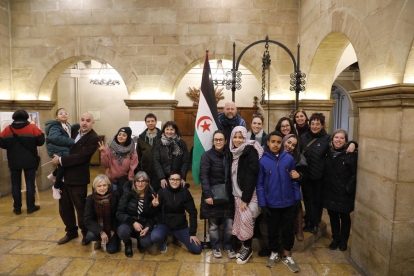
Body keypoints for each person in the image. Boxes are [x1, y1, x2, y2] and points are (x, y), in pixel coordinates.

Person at [300, 113, 356, 234]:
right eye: (312, 124)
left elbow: (340, 144)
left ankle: (315, 223)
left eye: (317, 124)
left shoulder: (327, 138)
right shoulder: (303, 138)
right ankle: (309, 221)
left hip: (320, 177)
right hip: (306, 176)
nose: (314, 126)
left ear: (322, 125)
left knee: (317, 201)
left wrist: (353, 143)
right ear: (309, 124)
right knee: (307, 200)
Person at [52, 113, 99, 246]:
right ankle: (71, 232)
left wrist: (60, 160)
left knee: (80, 208)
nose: (84, 123)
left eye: (88, 121)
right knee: (64, 207)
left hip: (78, 178)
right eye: (82, 120)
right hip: (63, 177)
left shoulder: (93, 138)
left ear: (92, 123)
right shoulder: (71, 130)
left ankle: (86, 233)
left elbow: (81, 157)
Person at [257, 131, 300, 272]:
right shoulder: (263, 161)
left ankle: (287, 254)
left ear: (282, 143)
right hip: (271, 204)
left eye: (278, 142)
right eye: (273, 141)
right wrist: (263, 204)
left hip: (288, 202)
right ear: (268, 143)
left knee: (288, 229)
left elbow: (294, 181)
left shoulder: (288, 159)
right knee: (272, 230)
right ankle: (274, 252)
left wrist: (297, 199)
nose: (276, 144)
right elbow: (260, 185)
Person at [229, 126, 264, 265]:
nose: (238, 140)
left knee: (247, 218)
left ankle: (248, 249)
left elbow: (251, 175)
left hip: (249, 194)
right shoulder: (232, 151)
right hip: (236, 194)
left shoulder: (250, 150)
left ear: (245, 138)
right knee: (241, 221)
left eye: (241, 137)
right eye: (235, 137)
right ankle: (244, 246)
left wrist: (245, 198)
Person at [0, 109, 45, 215]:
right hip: (30, 160)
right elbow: (41, 141)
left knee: (15, 184)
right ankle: (30, 207)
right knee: (30, 183)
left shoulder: (7, 129)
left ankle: (17, 208)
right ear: (26, 117)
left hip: (14, 160)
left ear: (14, 118)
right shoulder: (33, 128)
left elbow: (2, 143)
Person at [199, 130, 236, 259]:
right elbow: (204, 176)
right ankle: (215, 247)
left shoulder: (231, 155)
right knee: (214, 225)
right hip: (213, 195)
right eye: (216, 139)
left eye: (221, 139)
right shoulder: (207, 156)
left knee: (229, 225)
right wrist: (207, 195)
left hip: (229, 196)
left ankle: (228, 246)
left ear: (226, 141)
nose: (218, 142)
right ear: (213, 141)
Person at [151, 172, 202, 254]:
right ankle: (163, 240)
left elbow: (193, 212)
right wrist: (154, 206)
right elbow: (153, 212)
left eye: (177, 180)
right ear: (168, 180)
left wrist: (192, 233)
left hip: (180, 227)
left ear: (181, 180)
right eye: (172, 179)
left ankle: (176, 236)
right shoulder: (162, 192)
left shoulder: (185, 193)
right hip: (164, 225)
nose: (175, 182)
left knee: (197, 249)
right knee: (155, 237)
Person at [324, 129, 357, 252]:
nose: (339, 140)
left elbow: (354, 174)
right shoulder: (329, 152)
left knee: (345, 218)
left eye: (342, 138)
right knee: (333, 217)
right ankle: (335, 238)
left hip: (344, 193)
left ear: (346, 141)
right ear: (332, 139)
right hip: (330, 192)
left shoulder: (351, 154)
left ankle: (343, 241)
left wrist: (348, 188)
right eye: (336, 137)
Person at [116, 171, 157, 258]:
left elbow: (154, 216)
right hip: (129, 223)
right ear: (134, 182)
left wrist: (147, 227)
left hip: (144, 224)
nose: (140, 183)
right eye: (138, 181)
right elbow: (119, 213)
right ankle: (127, 243)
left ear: (147, 182)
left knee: (146, 243)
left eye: (143, 181)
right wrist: (133, 222)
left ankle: (139, 239)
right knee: (122, 231)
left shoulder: (152, 196)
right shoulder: (127, 194)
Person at [84, 174, 120, 253]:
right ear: (95, 187)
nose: (102, 188)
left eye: (104, 185)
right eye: (99, 186)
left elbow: (118, 215)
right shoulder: (90, 199)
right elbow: (88, 219)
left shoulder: (115, 196)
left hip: (111, 226)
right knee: (90, 235)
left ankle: (116, 239)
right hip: (98, 227)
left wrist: (113, 229)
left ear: (109, 186)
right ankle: (98, 240)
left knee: (111, 250)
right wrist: (101, 232)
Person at [99, 127, 138, 197]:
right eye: (119, 134)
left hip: (125, 180)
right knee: (113, 200)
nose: (120, 137)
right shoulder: (110, 147)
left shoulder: (132, 149)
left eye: (124, 135)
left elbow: (133, 166)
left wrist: (130, 180)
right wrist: (103, 152)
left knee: (123, 200)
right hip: (111, 179)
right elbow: (105, 165)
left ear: (128, 137)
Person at [45, 108, 75, 200]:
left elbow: (70, 131)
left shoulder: (66, 125)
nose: (64, 115)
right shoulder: (55, 126)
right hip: (57, 149)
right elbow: (55, 138)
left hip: (62, 149)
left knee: (62, 165)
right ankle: (56, 187)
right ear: (56, 117)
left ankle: (54, 174)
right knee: (63, 167)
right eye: (61, 113)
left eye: (66, 113)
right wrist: (73, 141)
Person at [283, 134, 308, 241]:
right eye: (288, 142)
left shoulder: (298, 157)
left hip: (292, 185)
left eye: (293, 145)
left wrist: (299, 175)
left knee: (297, 201)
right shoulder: (275, 152)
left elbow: (304, 175)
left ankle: (299, 228)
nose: (290, 146)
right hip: (277, 185)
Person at [153, 121, 188, 191]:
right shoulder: (158, 143)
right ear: (164, 130)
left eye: (172, 129)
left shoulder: (182, 143)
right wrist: (161, 177)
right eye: (167, 129)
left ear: (175, 130)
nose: (169, 132)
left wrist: (182, 178)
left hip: (177, 178)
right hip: (162, 178)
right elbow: (156, 161)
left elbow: (185, 162)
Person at [136, 113, 161, 185]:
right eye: (148, 121)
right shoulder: (141, 138)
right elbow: (138, 154)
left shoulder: (162, 136)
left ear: (156, 122)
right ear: (146, 123)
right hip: (145, 169)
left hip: (159, 170)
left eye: (152, 121)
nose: (151, 123)